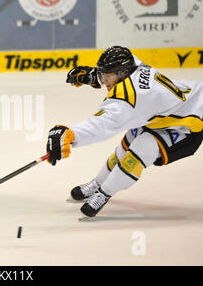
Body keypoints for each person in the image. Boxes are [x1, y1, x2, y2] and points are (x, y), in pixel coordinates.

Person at [46, 46, 202, 217]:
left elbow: (100, 125)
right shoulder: (133, 64)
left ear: (122, 74)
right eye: (102, 75)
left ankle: (104, 193)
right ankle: (97, 183)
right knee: (123, 149)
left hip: (188, 125)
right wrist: (93, 75)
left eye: (107, 76)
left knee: (141, 150)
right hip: (162, 113)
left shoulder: (131, 100)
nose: (104, 80)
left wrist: (70, 135)